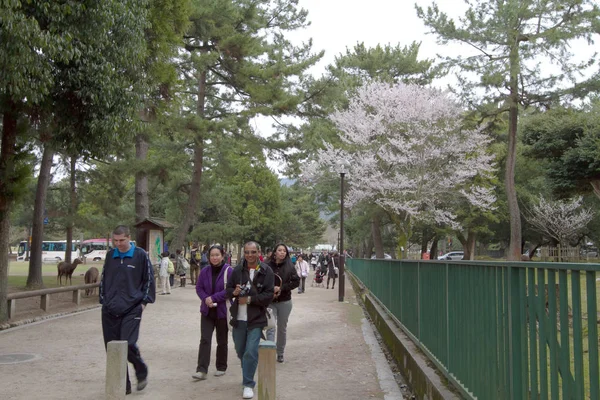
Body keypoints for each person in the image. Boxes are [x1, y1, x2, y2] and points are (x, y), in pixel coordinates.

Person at [99, 225, 155, 395]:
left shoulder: (140, 255)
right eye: (115, 241)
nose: (119, 244)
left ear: (129, 238)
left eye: (122, 240)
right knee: (112, 348)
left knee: (127, 344)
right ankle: (123, 385)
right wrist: (104, 300)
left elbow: (149, 280)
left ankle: (141, 369)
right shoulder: (111, 255)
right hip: (109, 309)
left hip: (132, 308)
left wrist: (144, 303)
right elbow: (104, 279)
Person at [226, 241, 274, 399]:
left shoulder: (267, 271)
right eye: (247, 252)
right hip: (238, 319)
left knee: (250, 352)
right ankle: (248, 371)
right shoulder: (237, 270)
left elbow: (268, 296)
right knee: (241, 351)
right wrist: (235, 291)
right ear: (243, 253)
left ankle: (248, 384)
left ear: (258, 252)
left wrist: (249, 300)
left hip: (256, 319)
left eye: (253, 252)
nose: (250, 255)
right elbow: (228, 290)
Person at [193, 244, 233, 380]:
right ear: (208, 257)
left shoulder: (229, 271)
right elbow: (199, 288)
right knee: (205, 339)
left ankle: (221, 366)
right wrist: (205, 299)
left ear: (222, 256)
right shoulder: (204, 271)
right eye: (212, 255)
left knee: (222, 340)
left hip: (222, 311)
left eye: (217, 255)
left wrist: (213, 298)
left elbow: (230, 290)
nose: (214, 258)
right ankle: (201, 369)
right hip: (207, 311)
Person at [265, 243, 300, 363]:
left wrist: (281, 288)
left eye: (284, 251)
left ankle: (280, 352)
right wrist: (270, 289)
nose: (282, 252)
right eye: (279, 250)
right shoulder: (266, 265)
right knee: (270, 326)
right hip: (270, 301)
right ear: (275, 252)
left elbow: (296, 282)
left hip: (285, 301)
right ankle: (269, 351)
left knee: (282, 328)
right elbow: (259, 281)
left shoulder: (290, 265)